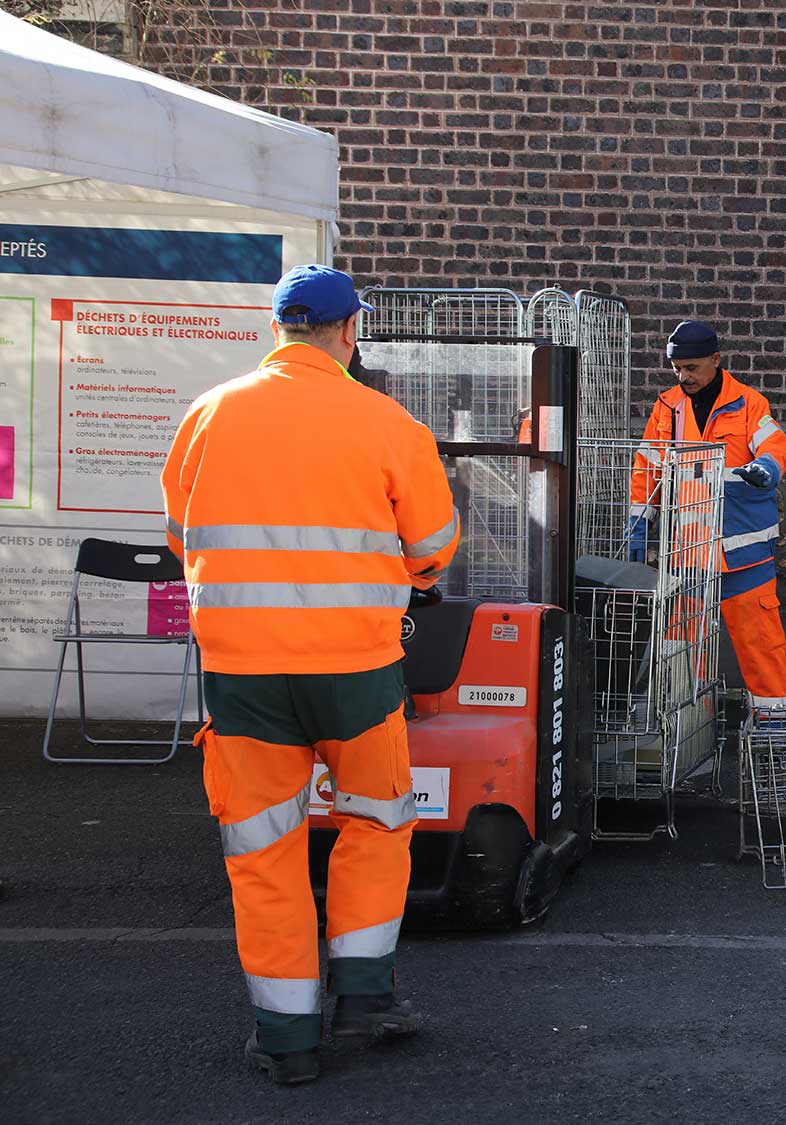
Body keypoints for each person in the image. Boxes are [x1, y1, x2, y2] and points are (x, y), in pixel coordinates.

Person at [161, 265, 460, 1085]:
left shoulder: (208, 414)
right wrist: (410, 576)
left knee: (264, 851)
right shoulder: (387, 421)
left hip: (244, 677)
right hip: (356, 670)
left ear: (277, 328)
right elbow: (433, 547)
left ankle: (287, 1039)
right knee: (376, 821)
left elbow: (181, 532)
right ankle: (363, 996)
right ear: (350, 331)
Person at [627, 321, 786, 715]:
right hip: (689, 552)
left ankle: (774, 721)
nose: (683, 376)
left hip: (743, 552)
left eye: (691, 368)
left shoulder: (749, 404)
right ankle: (686, 726)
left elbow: (774, 443)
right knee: (682, 647)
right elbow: (647, 466)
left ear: (715, 360)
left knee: (759, 641)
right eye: (677, 368)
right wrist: (638, 522)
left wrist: (768, 467)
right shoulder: (667, 407)